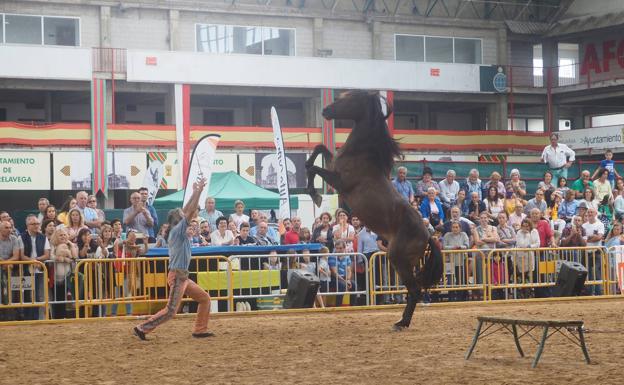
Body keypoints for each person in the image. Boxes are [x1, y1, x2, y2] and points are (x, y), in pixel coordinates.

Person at [134, 177, 213, 340]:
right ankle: (142, 328)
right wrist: (198, 191)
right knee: (171, 310)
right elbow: (190, 211)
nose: (186, 217)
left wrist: (196, 191)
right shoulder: (177, 231)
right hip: (178, 276)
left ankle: (200, 329)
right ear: (178, 220)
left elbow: (188, 210)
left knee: (204, 299)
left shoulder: (177, 230)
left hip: (182, 276)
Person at [48, 227, 78, 319]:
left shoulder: (71, 245)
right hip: (55, 277)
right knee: (56, 298)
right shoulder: (53, 245)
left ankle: (63, 316)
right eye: (61, 235)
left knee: (63, 298)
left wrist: (71, 245)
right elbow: (51, 256)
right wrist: (63, 259)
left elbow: (75, 257)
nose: (63, 237)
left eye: (65, 235)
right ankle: (56, 317)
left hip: (67, 275)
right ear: (56, 236)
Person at [328, 240, 353, 307]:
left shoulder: (347, 256)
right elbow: (334, 273)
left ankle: (353, 306)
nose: (338, 250)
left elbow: (349, 270)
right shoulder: (332, 257)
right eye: (337, 248)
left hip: (344, 277)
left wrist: (348, 280)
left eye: (340, 248)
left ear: (344, 248)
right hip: (334, 278)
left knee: (354, 285)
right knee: (342, 285)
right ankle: (338, 306)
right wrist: (345, 281)